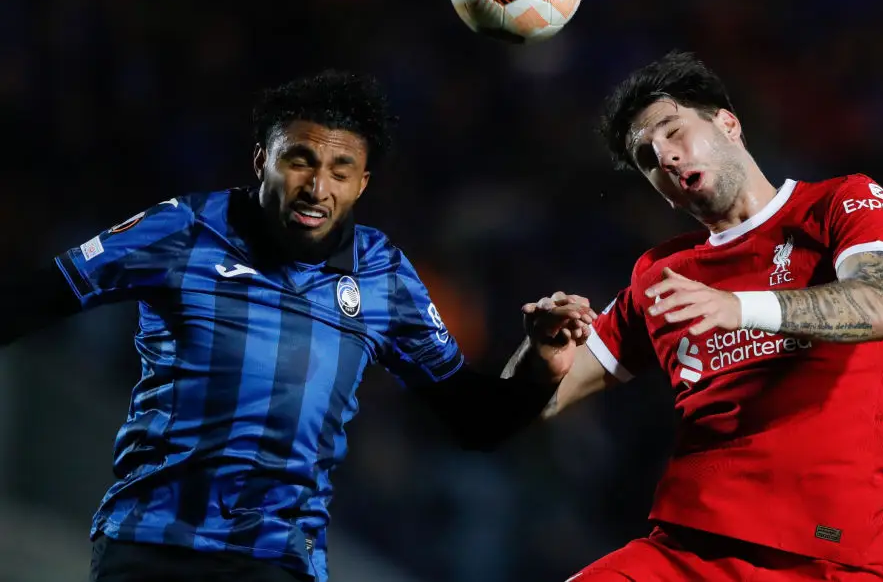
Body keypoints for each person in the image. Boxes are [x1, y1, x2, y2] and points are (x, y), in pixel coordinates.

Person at [0, 70, 595, 582]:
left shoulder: (383, 274)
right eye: (300, 160)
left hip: (274, 561)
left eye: (341, 170)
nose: (317, 187)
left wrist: (539, 361)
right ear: (263, 159)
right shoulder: (185, 229)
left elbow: (476, 421)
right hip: (149, 547)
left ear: (363, 183)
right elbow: (35, 299)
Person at [528, 51, 883, 581]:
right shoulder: (662, 275)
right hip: (685, 551)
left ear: (728, 124)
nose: (665, 156)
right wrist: (540, 355)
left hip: (823, 557)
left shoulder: (840, 203)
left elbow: (880, 304)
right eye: (647, 157)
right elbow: (517, 408)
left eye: (673, 131)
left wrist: (739, 307)